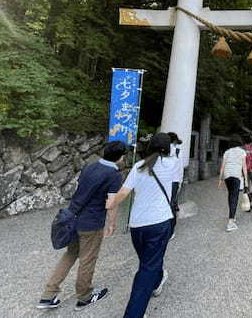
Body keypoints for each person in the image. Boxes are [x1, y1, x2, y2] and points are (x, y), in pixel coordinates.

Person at [36, 141, 126, 311]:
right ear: (121, 157)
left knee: (71, 254)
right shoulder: (114, 175)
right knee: (88, 259)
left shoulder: (90, 166)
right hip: (91, 223)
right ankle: (84, 296)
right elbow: (111, 203)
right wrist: (112, 223)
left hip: (73, 217)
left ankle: (48, 295)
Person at [106, 133, 179, 318]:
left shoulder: (139, 166)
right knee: (147, 267)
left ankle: (157, 280)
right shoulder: (172, 164)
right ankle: (134, 314)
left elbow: (123, 193)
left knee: (148, 261)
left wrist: (110, 206)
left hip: (138, 225)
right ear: (168, 148)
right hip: (160, 222)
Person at [218, 137, 248, 231]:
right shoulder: (242, 152)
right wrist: (246, 180)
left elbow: (222, 166)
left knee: (231, 195)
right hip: (236, 175)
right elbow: (244, 167)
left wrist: (220, 179)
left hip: (227, 175)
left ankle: (232, 215)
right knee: (234, 197)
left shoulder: (227, 152)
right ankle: (230, 222)